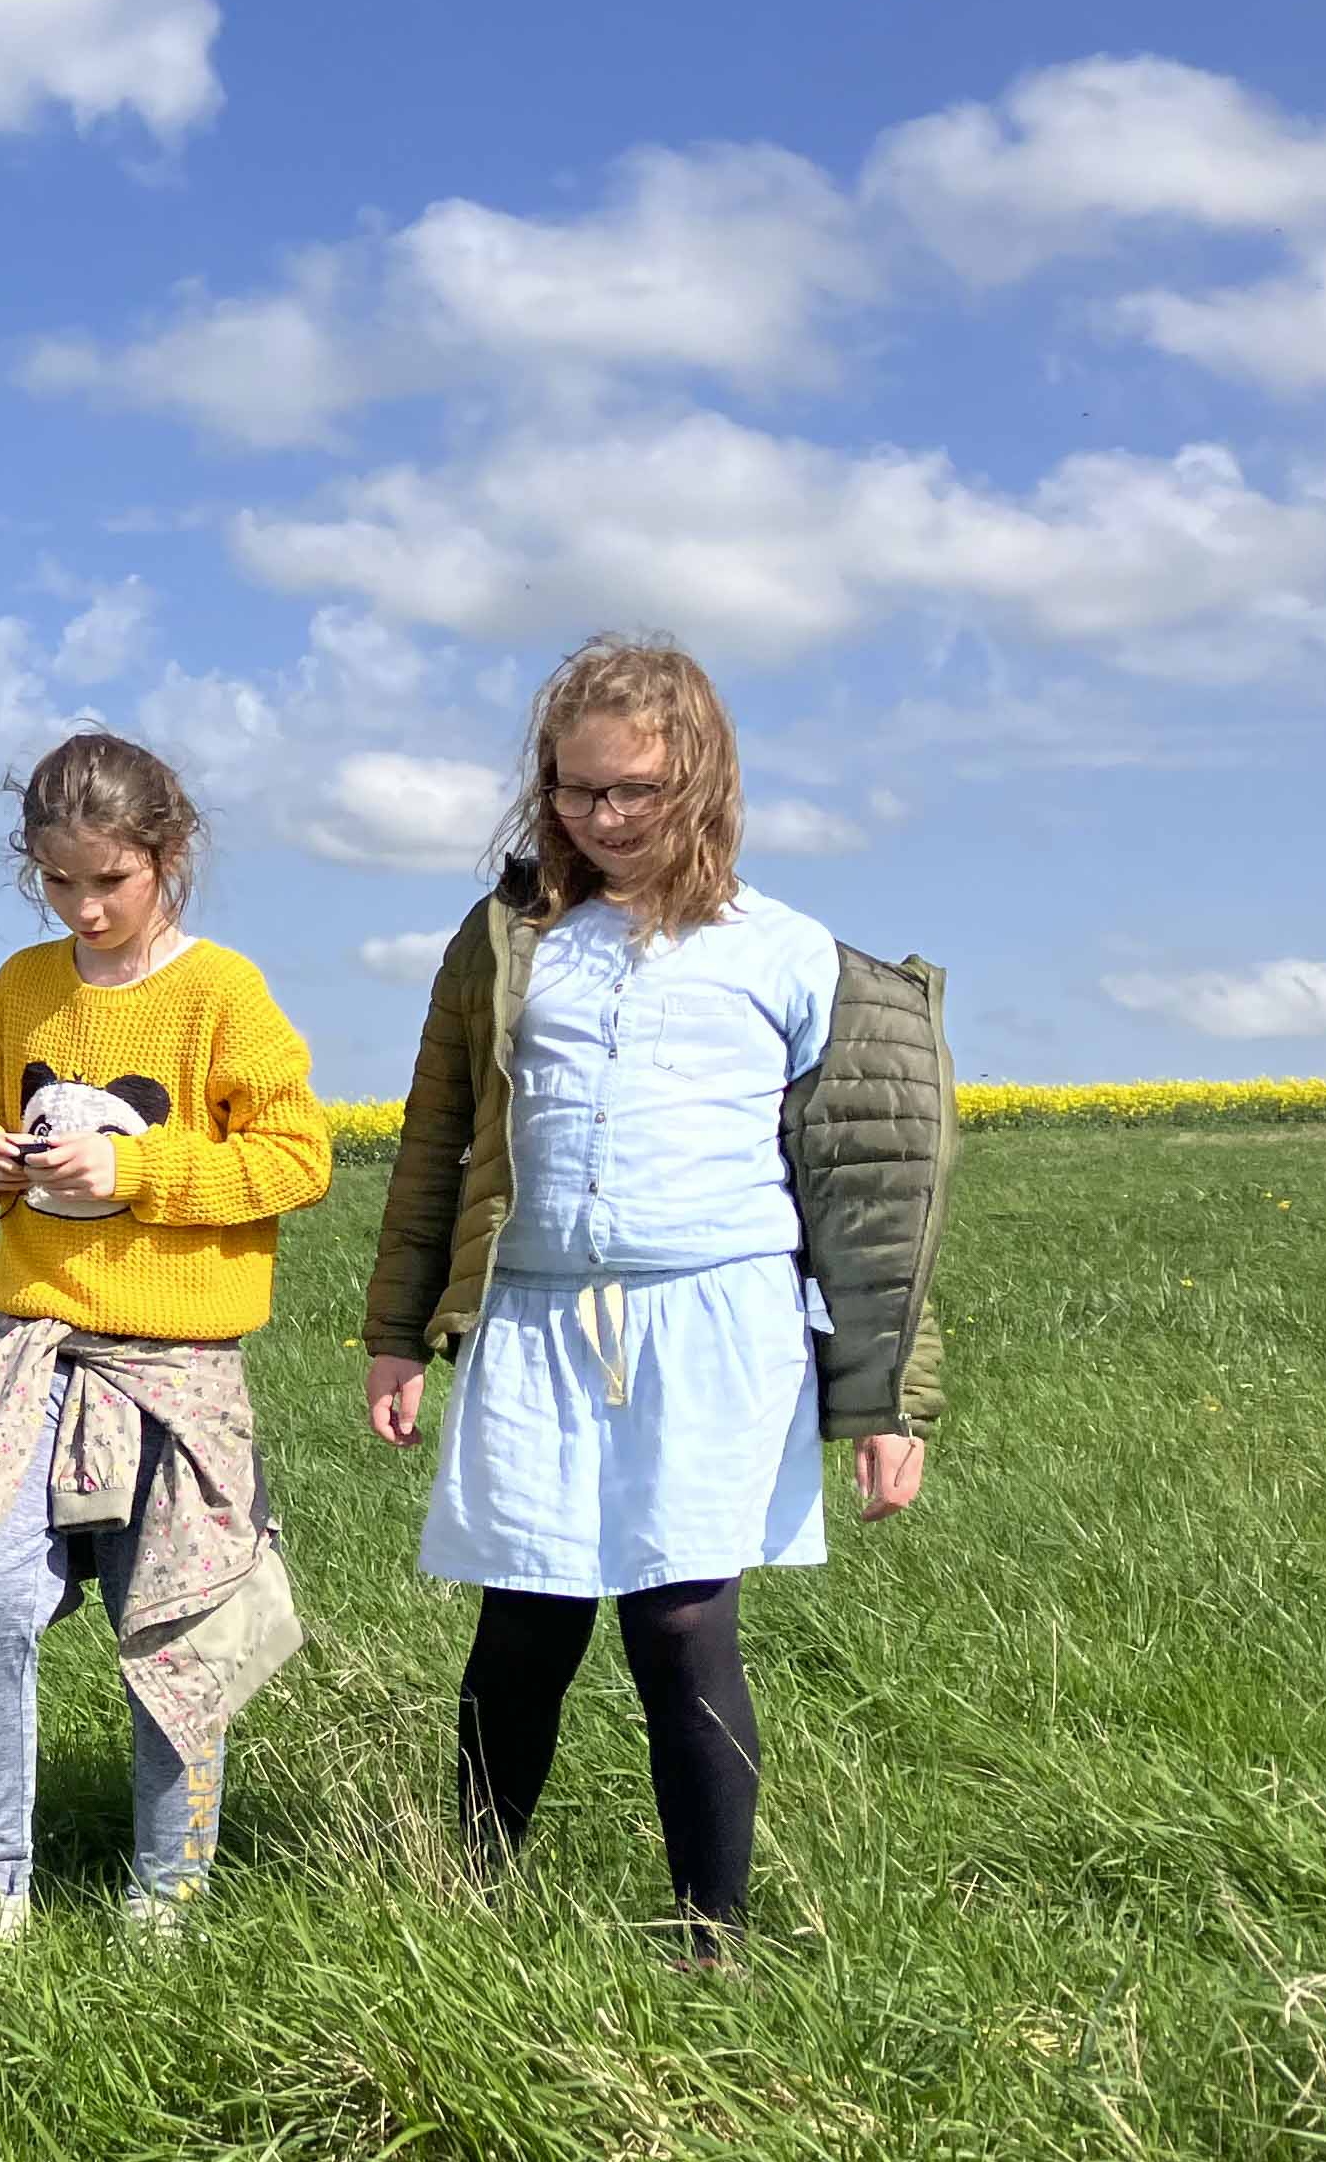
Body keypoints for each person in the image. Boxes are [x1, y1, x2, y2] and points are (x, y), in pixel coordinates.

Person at [360, 635, 950, 1961]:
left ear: (704, 780)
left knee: (682, 1622)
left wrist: (888, 1402)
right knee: (527, 1617)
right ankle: (468, 1909)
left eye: (635, 791)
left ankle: (710, 1943)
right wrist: (398, 1332)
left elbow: (870, 1202)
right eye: (576, 791)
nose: (605, 818)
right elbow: (436, 1139)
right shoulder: (511, 944)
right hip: (536, 1321)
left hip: (718, 1324)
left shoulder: (795, 957)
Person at [0, 732, 334, 1963]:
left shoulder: (224, 997)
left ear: (168, 855)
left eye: (111, 881)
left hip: (176, 1367)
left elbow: (297, 1161)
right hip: (30, 1349)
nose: (85, 909)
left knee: (175, 1624)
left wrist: (137, 1167)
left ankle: (167, 1894)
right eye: (58, 882)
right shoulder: (24, 985)